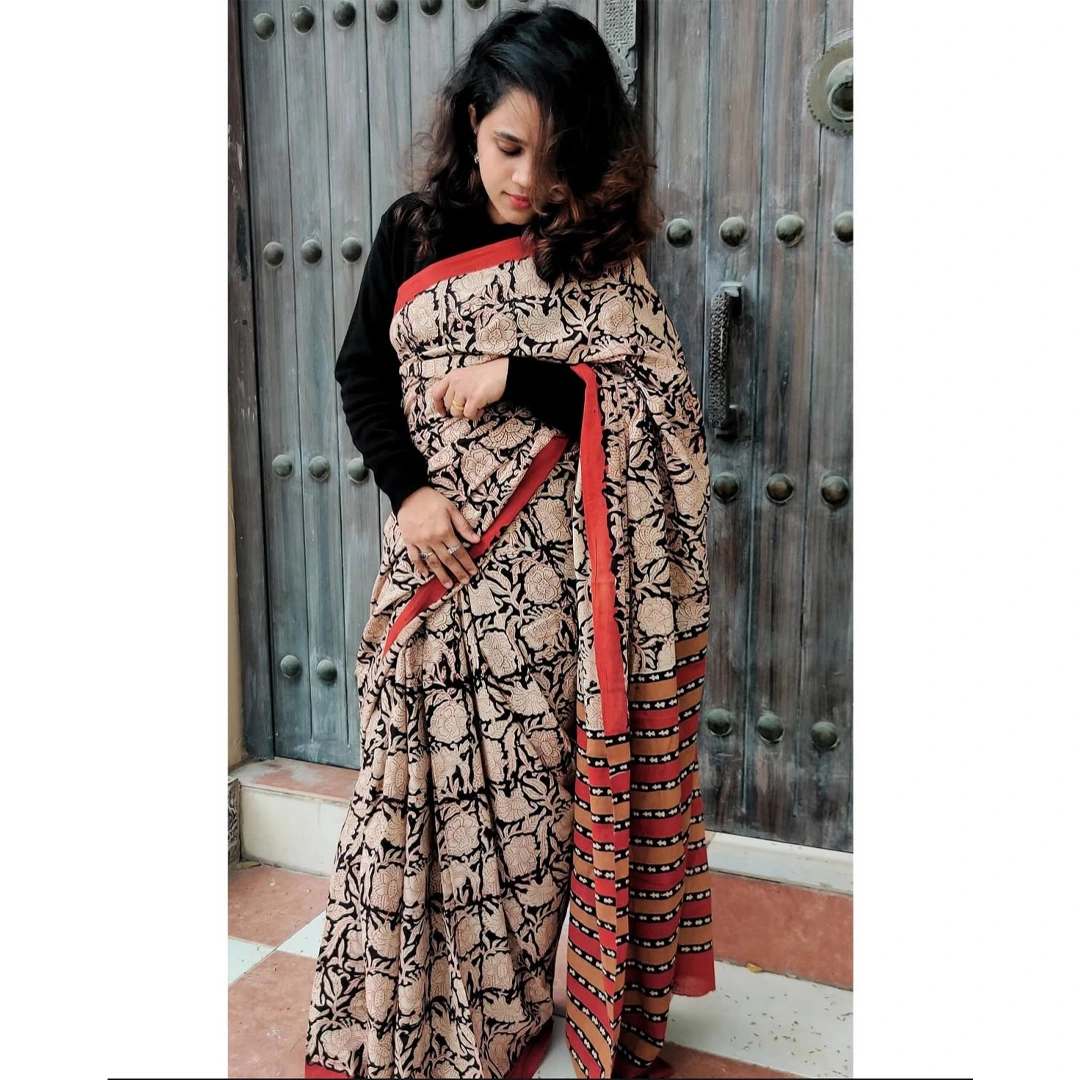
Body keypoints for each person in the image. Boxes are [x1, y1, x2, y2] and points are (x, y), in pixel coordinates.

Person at [304, 6, 716, 1079]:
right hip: (435, 568)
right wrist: (410, 494)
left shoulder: (599, 259)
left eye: (556, 153)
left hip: (548, 596)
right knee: (410, 796)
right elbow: (361, 373)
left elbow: (657, 416)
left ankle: (517, 1005)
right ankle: (417, 1010)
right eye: (508, 147)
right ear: (470, 123)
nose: (528, 179)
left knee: (529, 813)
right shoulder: (413, 231)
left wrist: (518, 376)